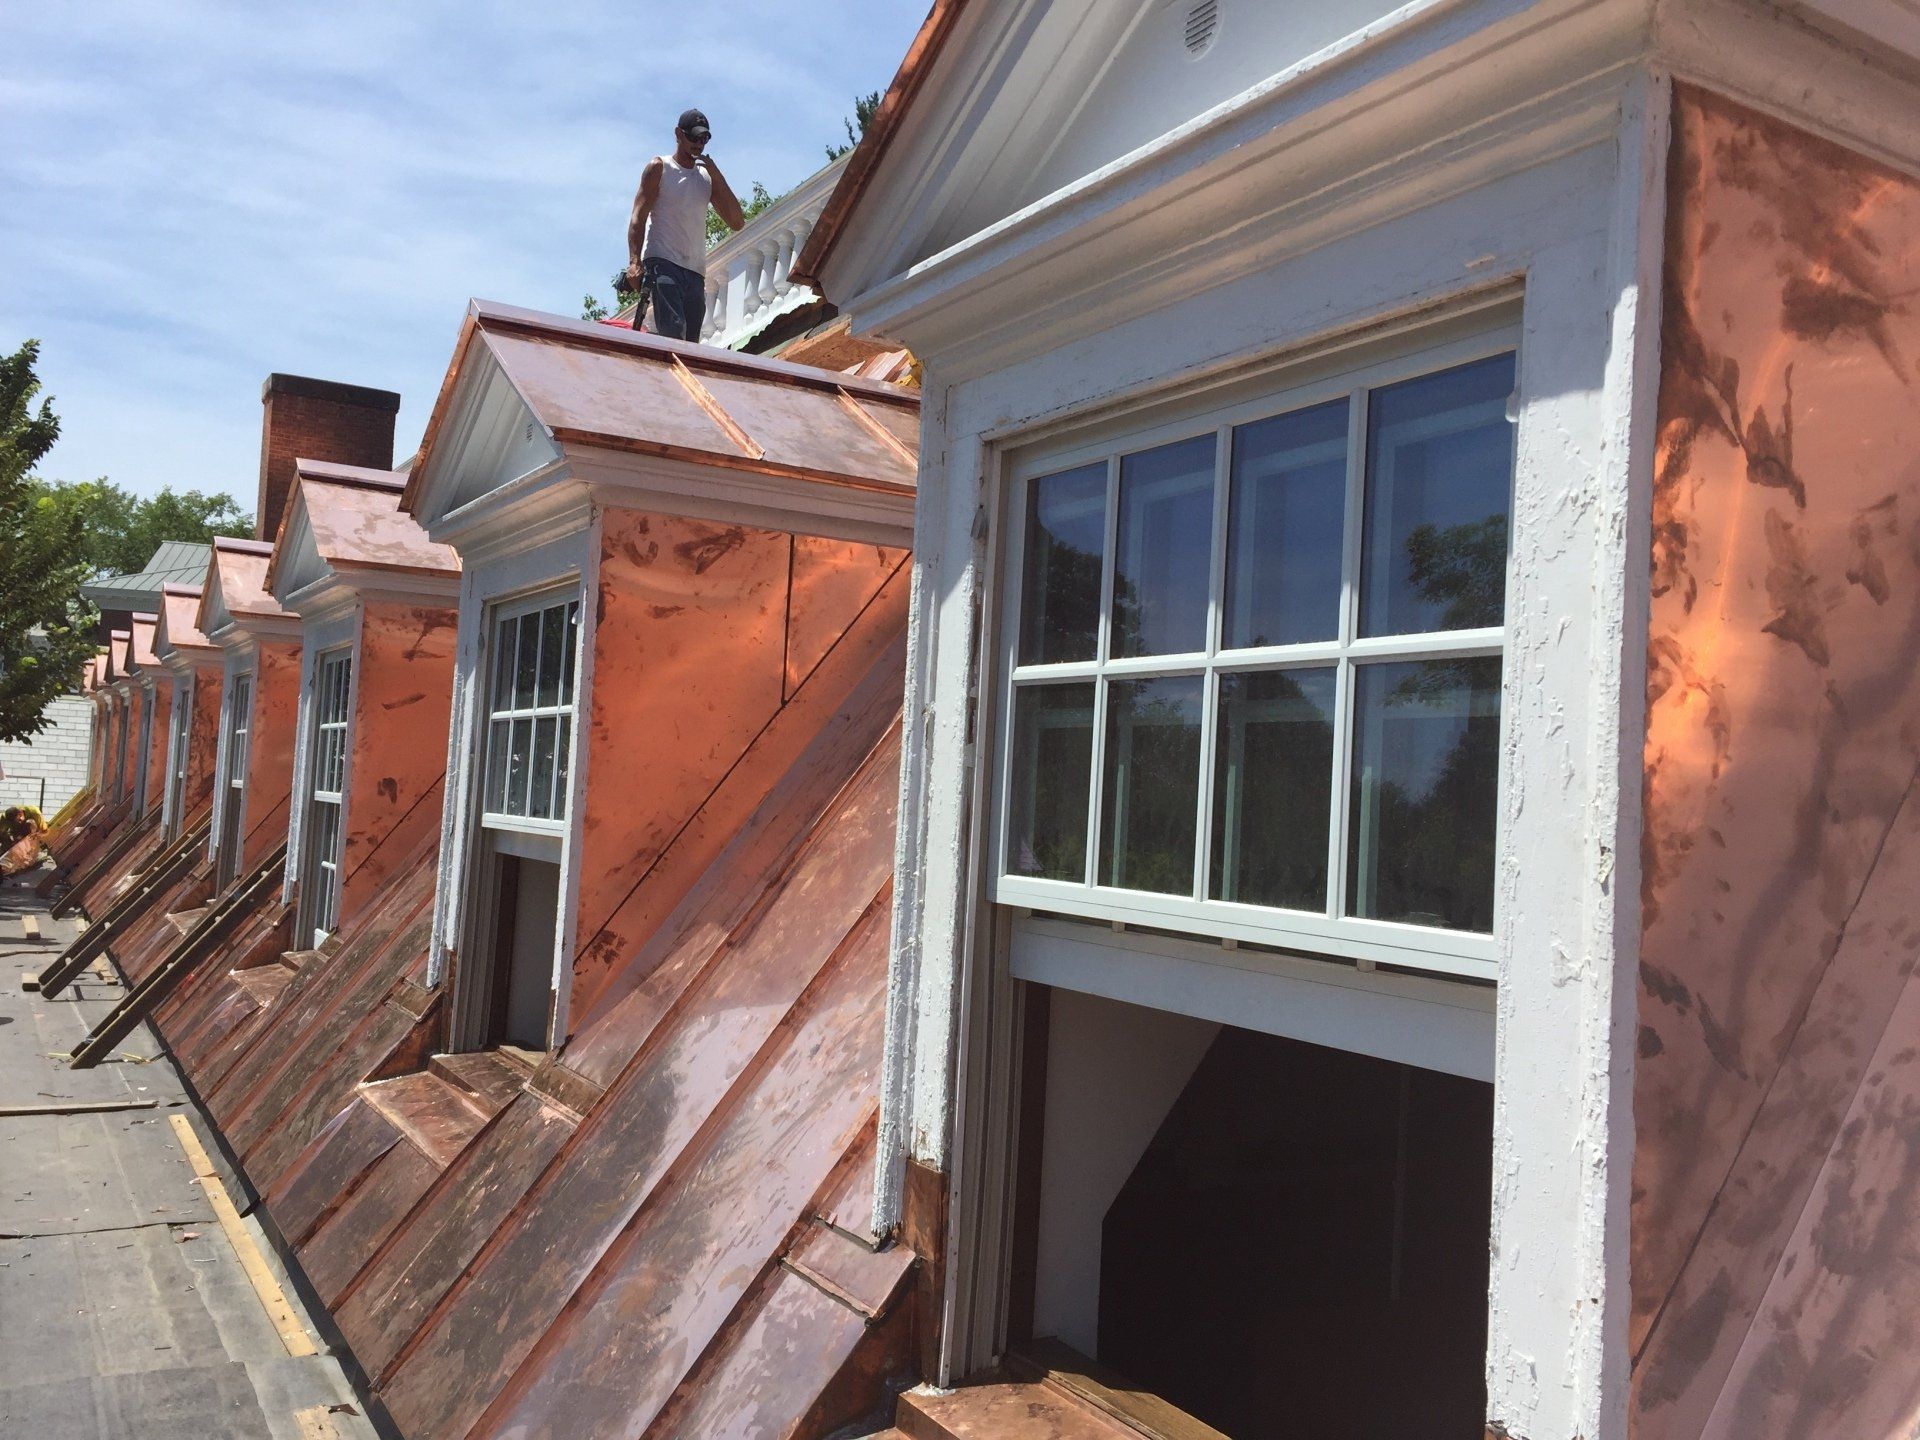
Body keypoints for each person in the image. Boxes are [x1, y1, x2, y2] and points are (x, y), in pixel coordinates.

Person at [623, 108, 746, 342]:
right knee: (674, 333)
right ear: (678, 134)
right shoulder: (660, 167)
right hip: (663, 263)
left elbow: (737, 221)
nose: (699, 144)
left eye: (704, 139)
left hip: (694, 272)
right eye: (694, 137)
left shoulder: (706, 178)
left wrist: (716, 173)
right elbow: (638, 217)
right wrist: (634, 262)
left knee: (690, 343)